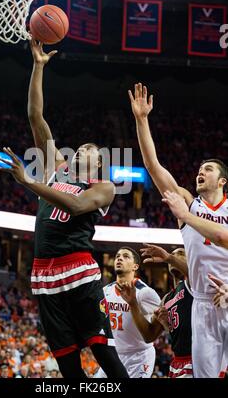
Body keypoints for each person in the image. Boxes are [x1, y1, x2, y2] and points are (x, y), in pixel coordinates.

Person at [0, 38, 128, 379]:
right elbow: (35, 115)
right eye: (81, 146)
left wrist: (28, 182)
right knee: (69, 367)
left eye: (90, 149)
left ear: (98, 164)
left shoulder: (103, 187)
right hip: (43, 274)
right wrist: (38, 67)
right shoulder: (56, 169)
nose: (83, 148)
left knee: (104, 354)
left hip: (79, 270)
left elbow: (75, 203)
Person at [129, 83, 228, 378]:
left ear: (222, 181)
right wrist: (142, 120)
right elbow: (152, 164)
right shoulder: (186, 202)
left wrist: (185, 216)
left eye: (208, 169)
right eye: (200, 167)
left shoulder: (189, 210)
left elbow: (224, 238)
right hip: (202, 305)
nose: (201, 170)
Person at [94, 246, 160, 378]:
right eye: (118, 256)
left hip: (138, 356)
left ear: (135, 266)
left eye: (125, 256)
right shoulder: (105, 290)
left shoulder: (146, 293)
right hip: (114, 354)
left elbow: (159, 325)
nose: (119, 258)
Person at [137, 245, 193, 378]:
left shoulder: (194, 285)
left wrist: (168, 257)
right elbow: (149, 336)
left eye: (180, 253)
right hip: (177, 361)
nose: (175, 256)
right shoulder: (166, 299)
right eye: (174, 254)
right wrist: (133, 304)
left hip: (197, 358)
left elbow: (194, 273)